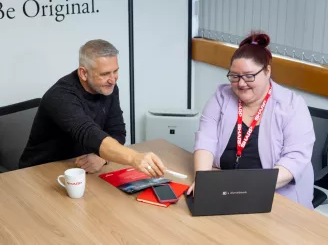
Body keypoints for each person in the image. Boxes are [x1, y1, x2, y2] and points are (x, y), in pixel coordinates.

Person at [187, 32, 315, 209]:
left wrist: (245, 187)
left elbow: (295, 158)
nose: (241, 83)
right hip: (226, 193)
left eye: (249, 76)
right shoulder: (221, 96)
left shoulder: (292, 105)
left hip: (278, 199)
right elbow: (205, 140)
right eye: (234, 76)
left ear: (267, 71)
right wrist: (203, 182)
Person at [19, 39, 165, 177]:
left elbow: (117, 132)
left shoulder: (108, 87)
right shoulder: (60, 96)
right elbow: (88, 133)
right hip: (40, 171)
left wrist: (102, 158)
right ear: (83, 73)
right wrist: (134, 157)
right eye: (105, 74)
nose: (113, 79)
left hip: (79, 170)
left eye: (115, 71)